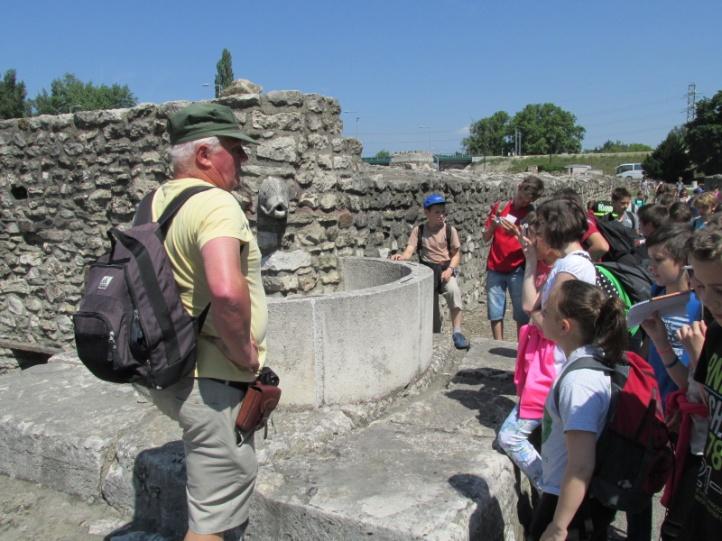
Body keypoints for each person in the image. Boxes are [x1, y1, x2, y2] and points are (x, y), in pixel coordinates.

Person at [143, 103, 268, 541]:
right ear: (203, 155)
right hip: (212, 378)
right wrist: (245, 353)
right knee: (210, 522)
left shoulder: (155, 201)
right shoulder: (217, 203)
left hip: (168, 366)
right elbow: (227, 290)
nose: (245, 160)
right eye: (236, 149)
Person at [529, 280, 626, 540]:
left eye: (547, 309)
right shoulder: (586, 363)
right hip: (568, 495)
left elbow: (581, 464)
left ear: (564, 326)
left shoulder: (579, 381)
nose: (541, 313)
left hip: (570, 503)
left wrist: (559, 525)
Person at [497, 212, 558, 491]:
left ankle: (548, 485)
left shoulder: (561, 273)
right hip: (542, 362)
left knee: (510, 436)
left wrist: (531, 262)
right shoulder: (552, 266)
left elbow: (528, 308)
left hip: (549, 367)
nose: (529, 240)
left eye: (533, 236)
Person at [678, 225, 722, 539]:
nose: (708, 300)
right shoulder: (716, 331)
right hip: (708, 498)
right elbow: (711, 405)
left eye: (719, 289)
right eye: (700, 287)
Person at [392, 193, 469, 349]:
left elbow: (456, 255)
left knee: (454, 292)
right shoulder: (419, 230)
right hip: (427, 270)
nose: (441, 215)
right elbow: (410, 249)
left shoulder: (449, 230)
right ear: (427, 213)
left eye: (443, 211)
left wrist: (450, 269)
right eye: (437, 212)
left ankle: (457, 331)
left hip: (445, 268)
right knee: (431, 307)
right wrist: (402, 257)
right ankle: (434, 337)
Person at [483, 175, 545, 340]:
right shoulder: (500, 207)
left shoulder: (532, 215)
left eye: (526, 201)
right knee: (495, 311)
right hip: (495, 266)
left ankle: (521, 346)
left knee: (521, 311)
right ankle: (497, 344)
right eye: (521, 198)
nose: (522, 203)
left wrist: (516, 233)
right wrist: (493, 226)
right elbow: (485, 237)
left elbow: (532, 244)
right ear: (518, 188)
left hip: (517, 268)